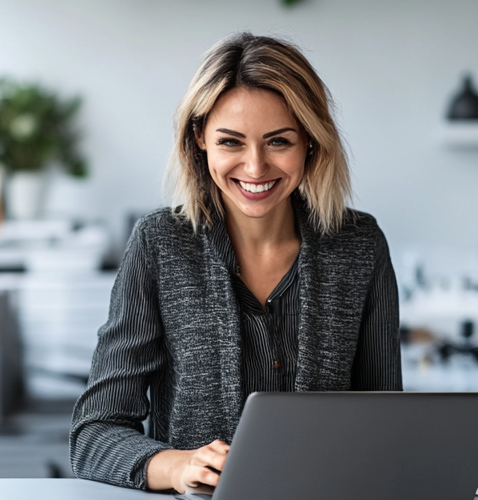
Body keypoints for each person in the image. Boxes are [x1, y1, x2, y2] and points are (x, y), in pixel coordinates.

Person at [69, 33, 401, 494]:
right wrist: (177, 466)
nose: (255, 167)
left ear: (310, 140)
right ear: (199, 139)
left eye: (278, 141)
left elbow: (390, 426)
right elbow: (93, 436)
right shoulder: (160, 244)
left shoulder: (360, 246)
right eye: (231, 142)